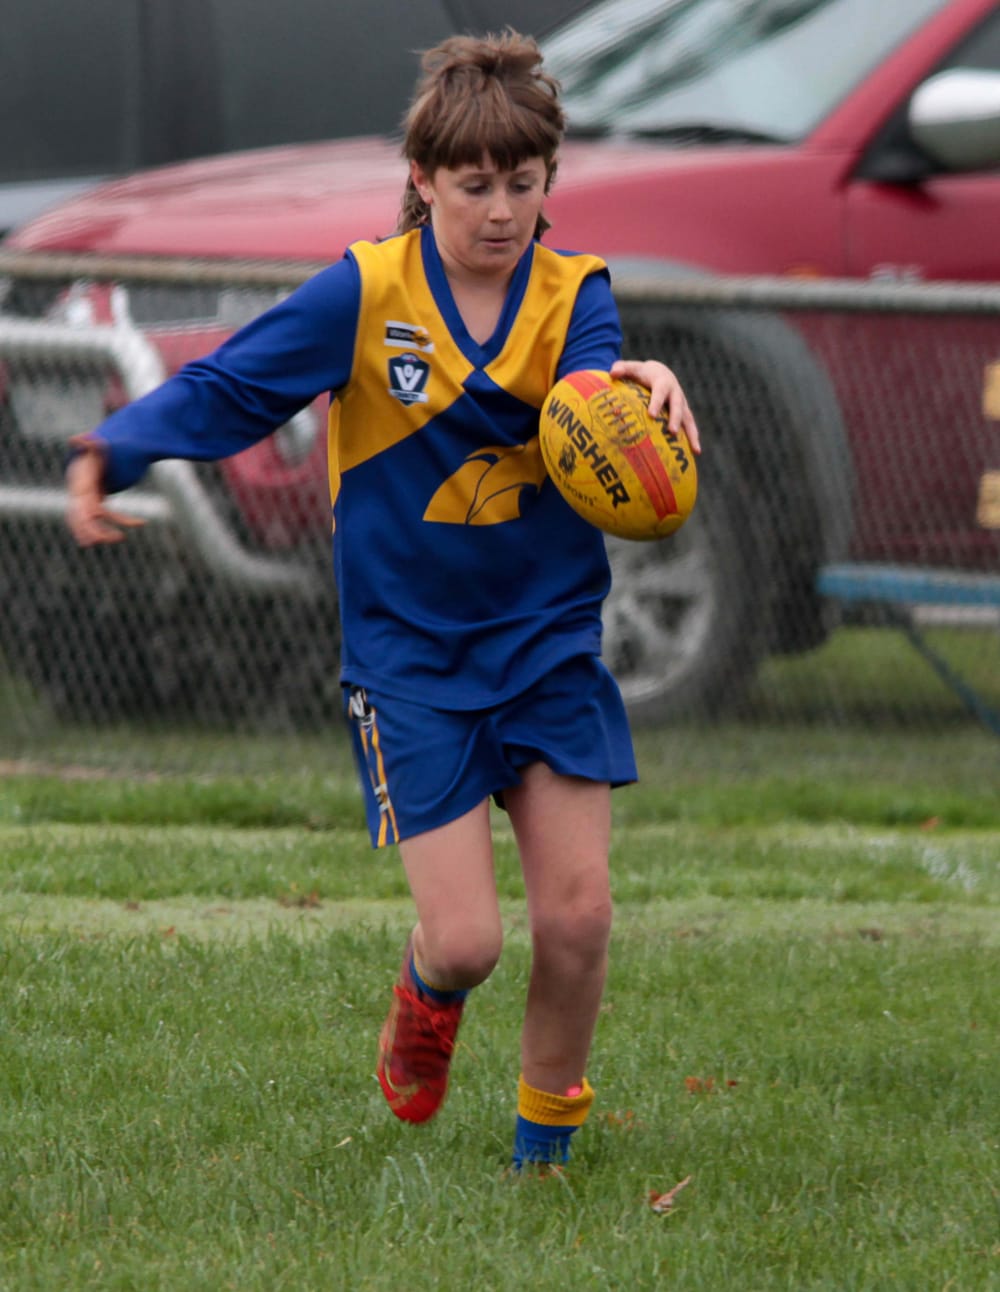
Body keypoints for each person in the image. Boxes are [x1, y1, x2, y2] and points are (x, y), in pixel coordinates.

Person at [66, 30, 700, 1172]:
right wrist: (115, 446)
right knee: (467, 941)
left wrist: (643, 390)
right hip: (411, 660)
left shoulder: (574, 294)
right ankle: (426, 991)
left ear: (550, 179)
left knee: (579, 915)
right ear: (422, 178)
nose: (501, 210)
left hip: (547, 644)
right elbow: (232, 385)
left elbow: (593, 402)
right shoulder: (365, 291)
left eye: (522, 182)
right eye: (474, 185)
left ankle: (541, 1158)